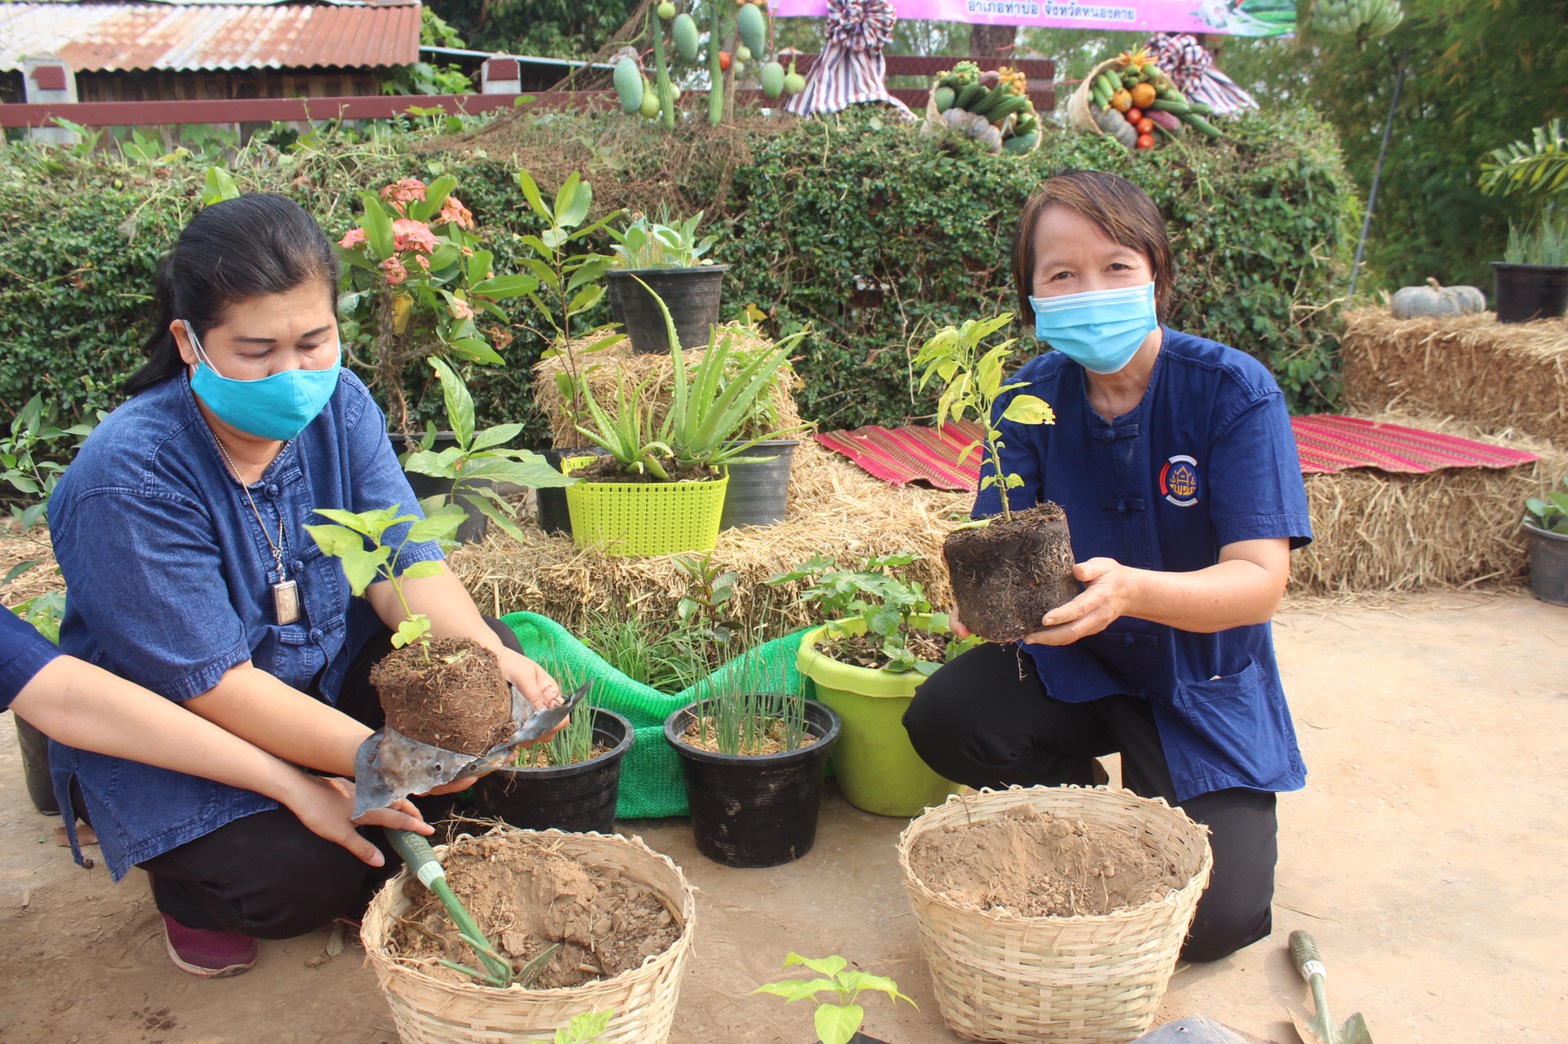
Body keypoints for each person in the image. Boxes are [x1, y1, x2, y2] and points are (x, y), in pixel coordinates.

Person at [46, 192, 563, 979]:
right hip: (189, 728)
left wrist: (488, 660)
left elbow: (403, 563)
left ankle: (361, 790)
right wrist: (380, 758)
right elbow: (214, 687)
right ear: (189, 342)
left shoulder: (341, 405)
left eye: (313, 341)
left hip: (315, 678)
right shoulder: (129, 479)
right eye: (257, 351)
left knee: (477, 675)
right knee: (300, 879)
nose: (292, 375)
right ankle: (187, 893)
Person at [903, 170, 1313, 963]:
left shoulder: (1232, 393)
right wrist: (983, 603)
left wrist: (1130, 591)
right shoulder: (1027, 397)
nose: (1091, 290)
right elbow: (997, 532)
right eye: (1062, 274)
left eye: (1116, 265)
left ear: (1157, 272)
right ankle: (1088, 803)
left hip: (1201, 680)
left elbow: (1259, 583)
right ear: (1033, 299)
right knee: (947, 717)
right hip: (1075, 663)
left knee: (1210, 925)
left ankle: (1173, 798)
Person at [1, 610, 431, 870]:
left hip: (255, 703)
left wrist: (301, 784)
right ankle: (188, 896)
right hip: (184, 716)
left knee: (358, 856)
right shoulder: (118, 494)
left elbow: (55, 687)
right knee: (298, 872)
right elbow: (66, 699)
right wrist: (301, 784)